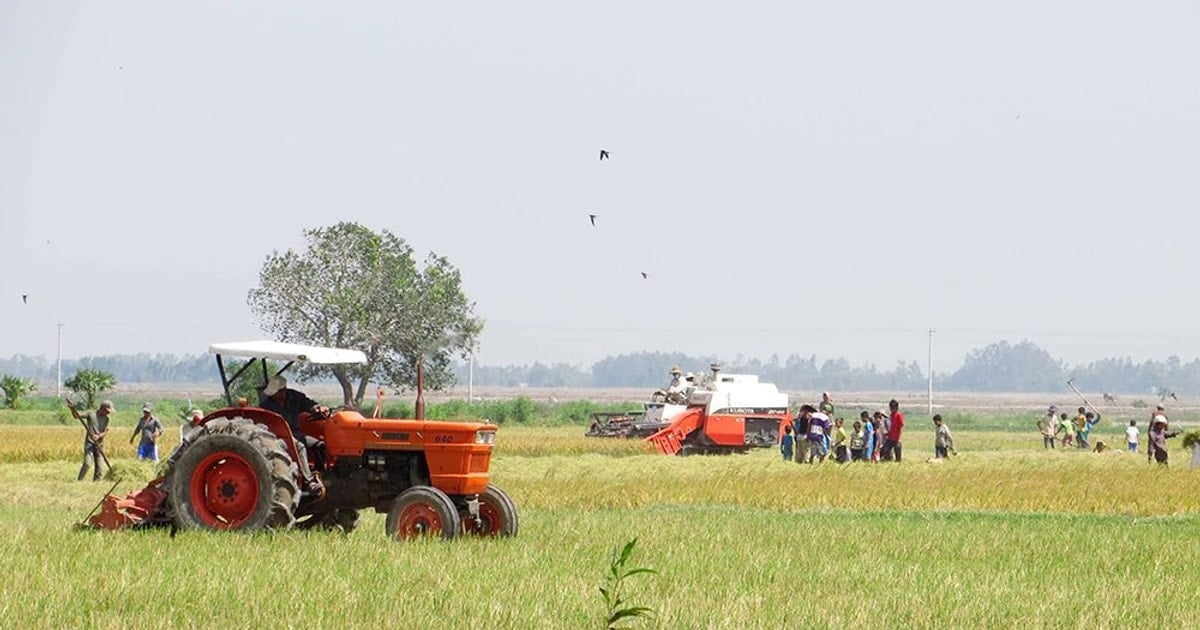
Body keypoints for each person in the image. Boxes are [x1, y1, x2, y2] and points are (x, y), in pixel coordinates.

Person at [260, 374, 329, 492]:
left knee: (321, 445)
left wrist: (318, 408)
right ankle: (309, 482)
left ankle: (322, 475)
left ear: (283, 390)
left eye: (276, 392)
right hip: (279, 437)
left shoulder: (295, 397)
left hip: (297, 434)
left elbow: (309, 404)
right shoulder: (267, 405)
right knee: (300, 446)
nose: (273, 394)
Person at [66, 399, 113, 481]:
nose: (109, 413)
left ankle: (96, 484)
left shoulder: (107, 419)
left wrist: (98, 436)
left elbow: (106, 431)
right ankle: (79, 481)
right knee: (87, 463)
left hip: (99, 445)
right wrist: (72, 409)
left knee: (100, 468)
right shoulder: (91, 414)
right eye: (107, 411)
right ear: (102, 408)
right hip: (89, 443)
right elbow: (76, 416)